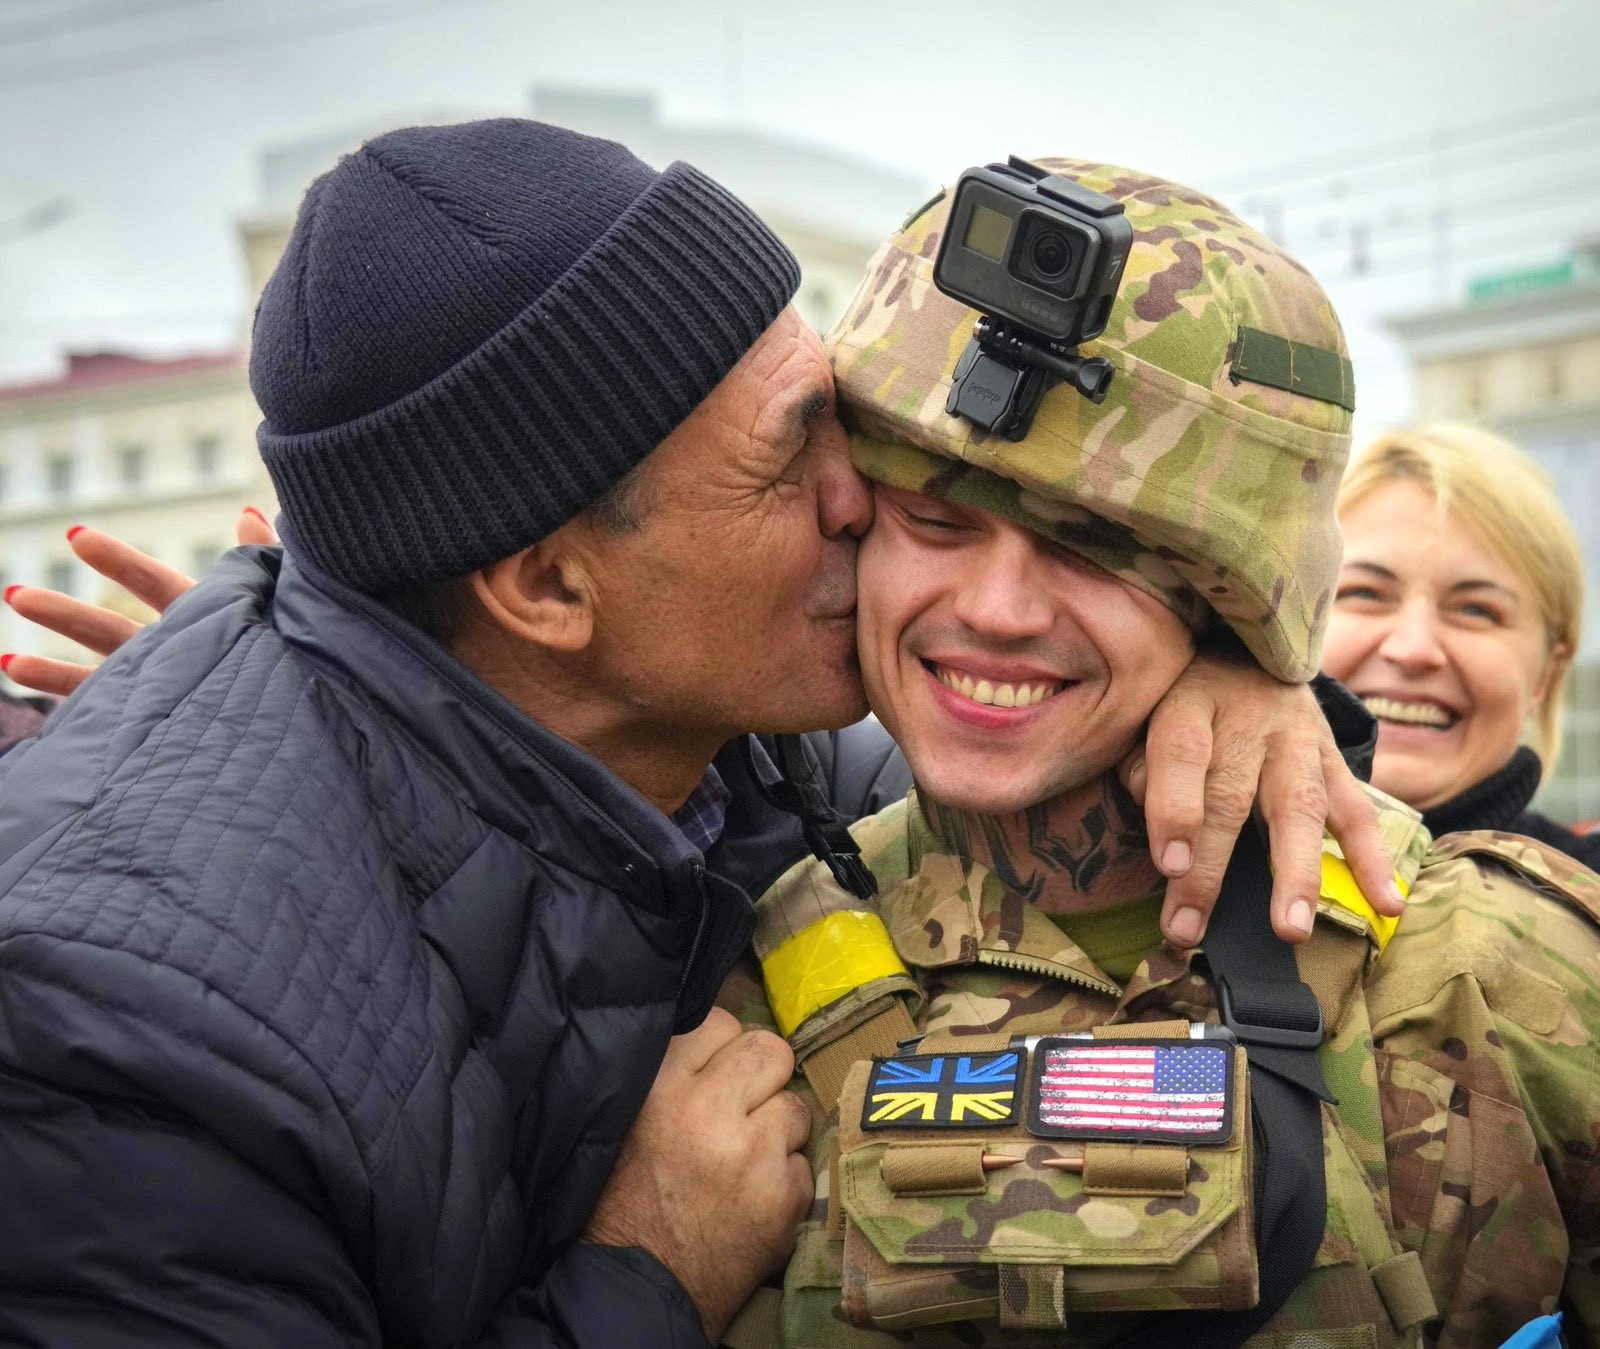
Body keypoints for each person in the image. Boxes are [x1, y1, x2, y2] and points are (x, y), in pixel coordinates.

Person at [0, 120, 1396, 1349]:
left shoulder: (699, 720)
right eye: (794, 457)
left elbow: (1000, 730)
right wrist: (643, 1277)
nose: (875, 497)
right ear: (550, 586)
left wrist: (1237, 668)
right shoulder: (128, 1046)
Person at [719, 158, 1600, 1348]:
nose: (998, 606)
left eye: (1093, 551)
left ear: (1223, 595)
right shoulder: (728, 993)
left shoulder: (1502, 975)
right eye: (936, 520)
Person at [1322, 423, 1600, 866]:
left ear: (1545, 674)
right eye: (1365, 593)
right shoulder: (1176, 853)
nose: (1412, 648)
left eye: (1475, 610)